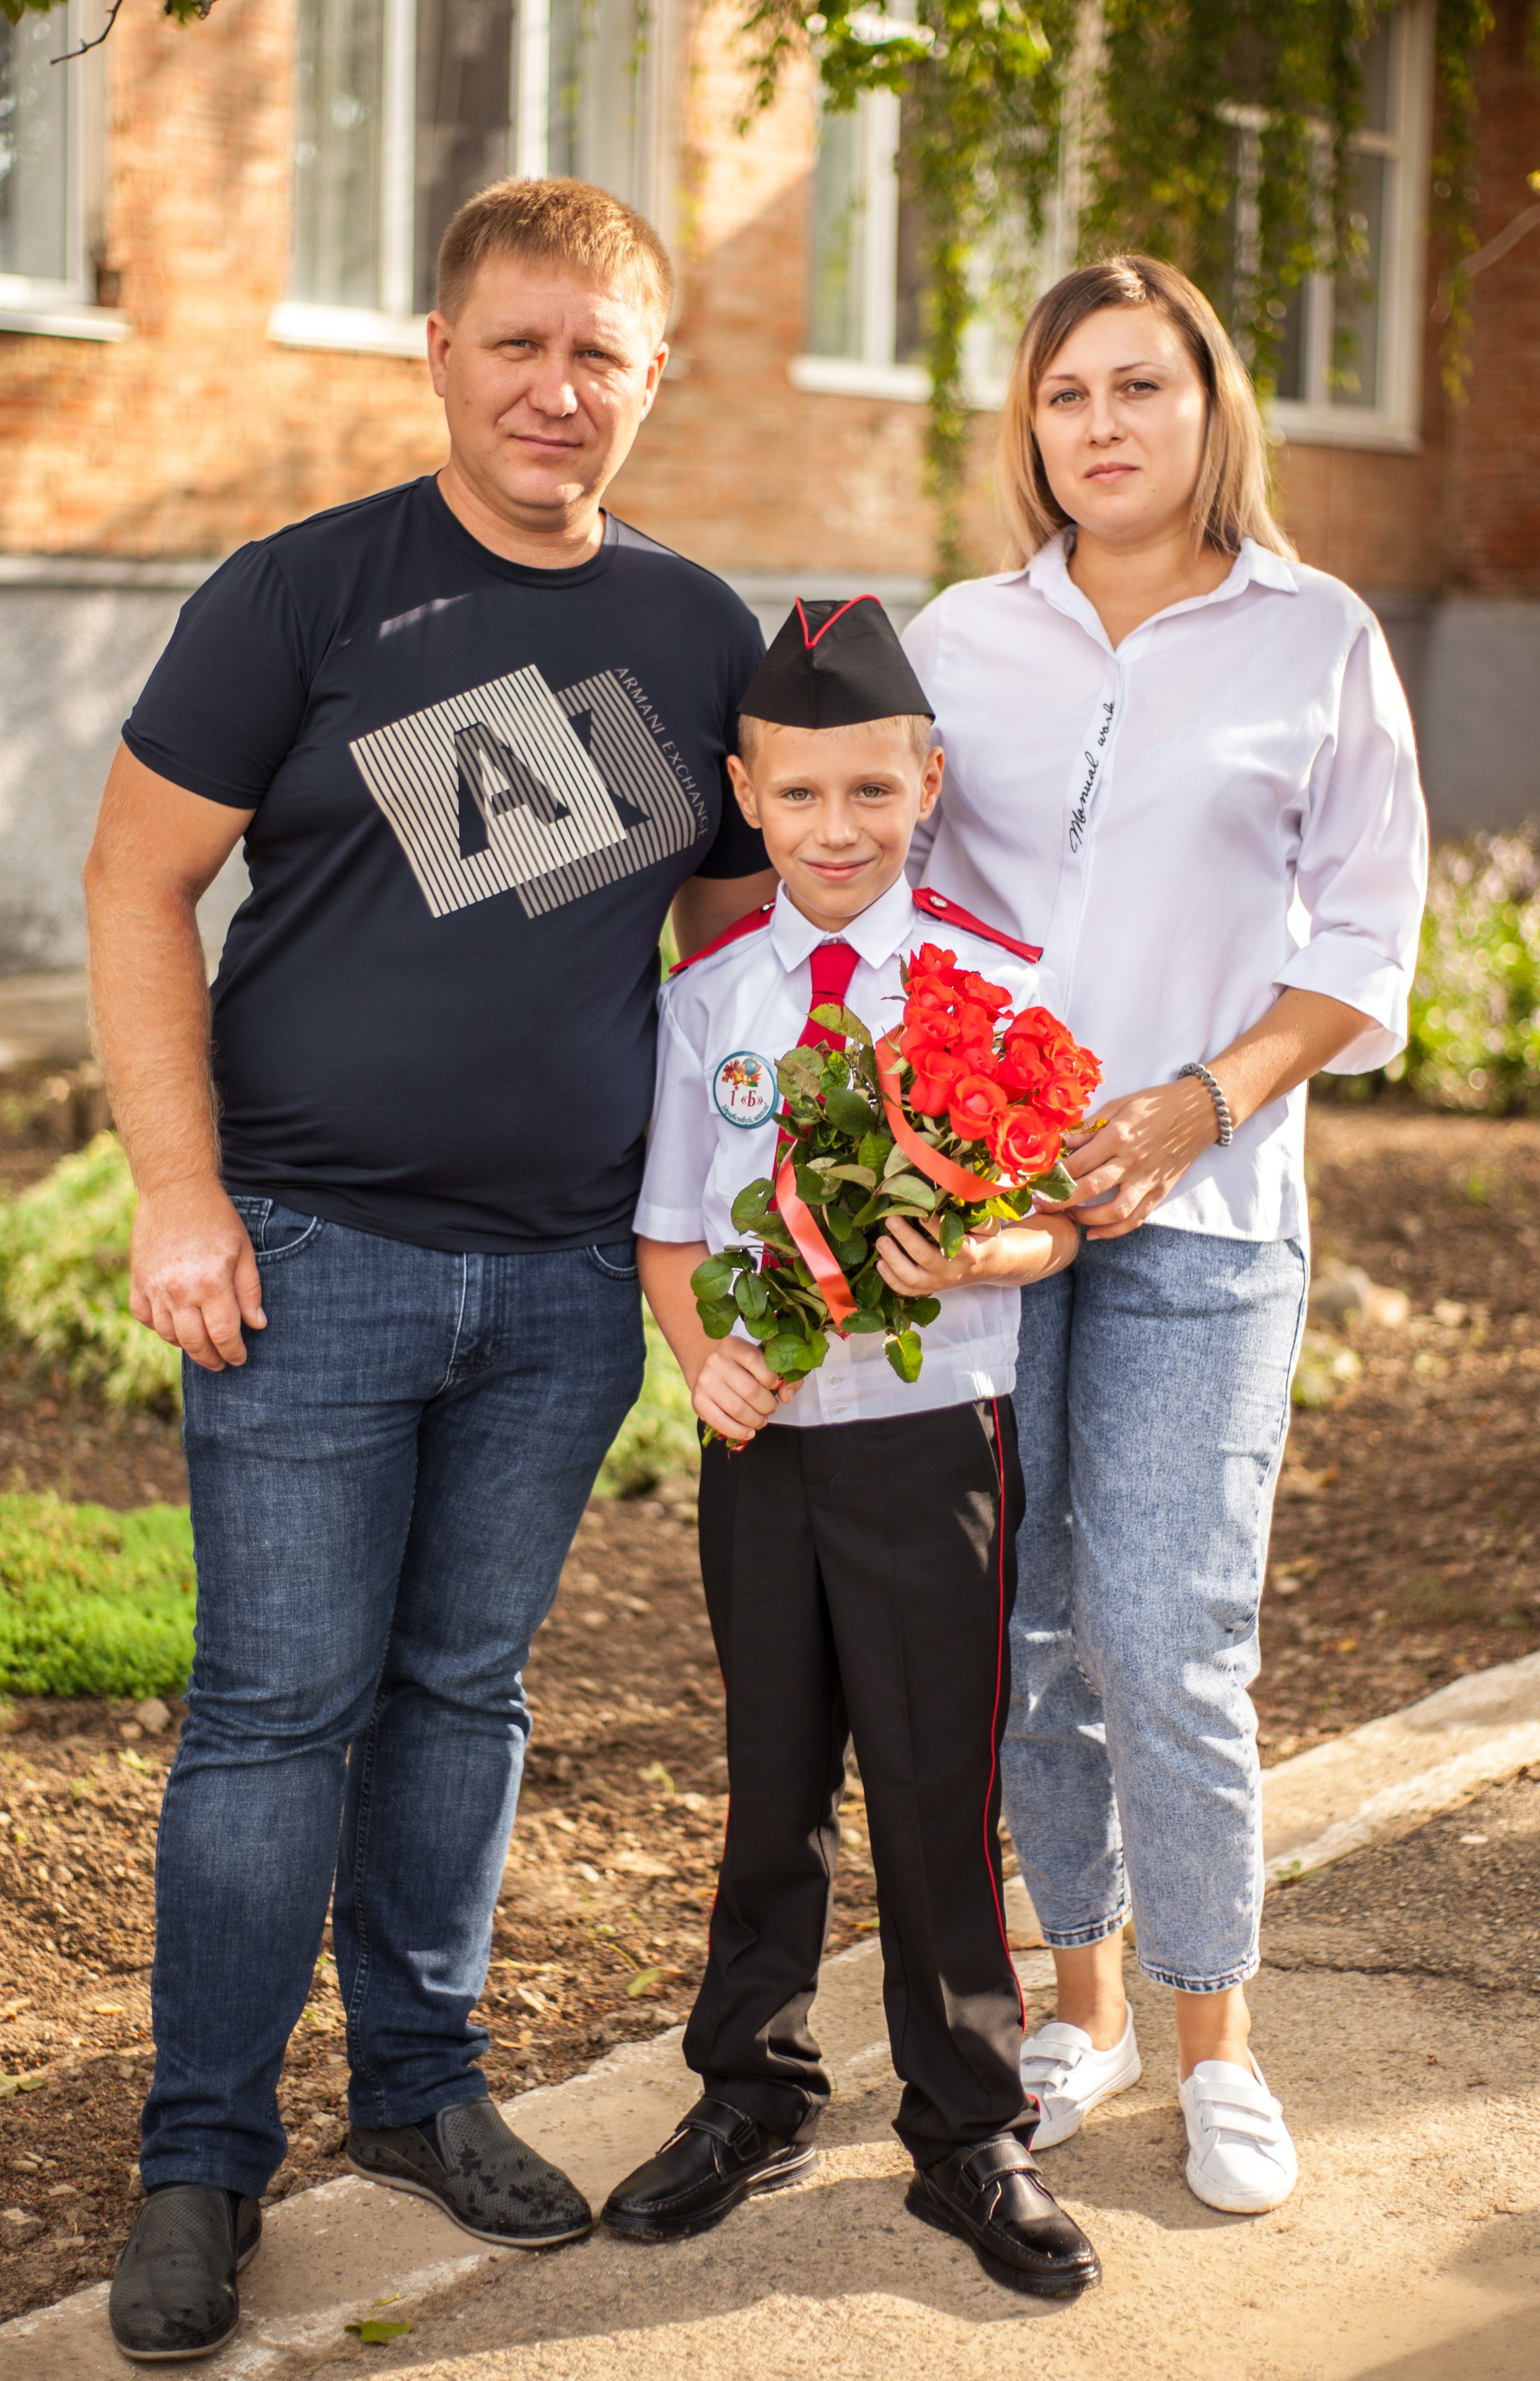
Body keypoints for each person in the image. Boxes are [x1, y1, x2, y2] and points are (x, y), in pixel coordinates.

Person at [84, 177, 777, 2362]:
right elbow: (132, 883)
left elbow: (732, 939)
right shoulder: (309, 592)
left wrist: (722, 1222)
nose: (557, 390)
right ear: (441, 354)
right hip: (308, 1256)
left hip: (563, 1283)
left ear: (652, 378)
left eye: (601, 356)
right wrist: (178, 1193)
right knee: (273, 1715)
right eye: (519, 345)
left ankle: (418, 2088)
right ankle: (203, 2157)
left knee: (465, 1695)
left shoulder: (696, 633)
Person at [901, 255, 1428, 2214]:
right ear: (1030, 430)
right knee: (1022, 1629)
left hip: (1209, 1213)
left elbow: (1368, 941)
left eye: (1141, 386)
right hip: (996, 1223)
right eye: (1067, 395)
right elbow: (891, 891)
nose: (1103, 425)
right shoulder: (962, 639)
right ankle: (1086, 2006)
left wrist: (1198, 1101)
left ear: (1212, 407)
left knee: (1170, 1636)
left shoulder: (1319, 635)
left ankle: (1220, 2041)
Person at [604, 595, 1102, 2301]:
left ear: (927, 785)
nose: (837, 829)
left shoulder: (991, 986)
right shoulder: (710, 999)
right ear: (747, 794)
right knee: (770, 1780)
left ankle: (970, 2127)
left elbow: (1056, 1224)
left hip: (928, 1440)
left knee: (934, 1788)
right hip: (766, 1455)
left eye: (873, 793)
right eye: (801, 795)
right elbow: (673, 1223)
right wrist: (702, 1362)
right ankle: (753, 2090)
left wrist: (979, 1252)